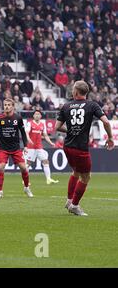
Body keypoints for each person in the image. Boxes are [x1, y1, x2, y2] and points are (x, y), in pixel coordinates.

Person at [55, 81, 114, 216]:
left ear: (75, 92)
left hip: (68, 146)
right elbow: (105, 121)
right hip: (80, 148)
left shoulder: (66, 106)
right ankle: (74, 205)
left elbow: (57, 127)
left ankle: (69, 200)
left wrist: (70, 130)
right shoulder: (92, 105)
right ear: (86, 92)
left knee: (76, 172)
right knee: (86, 177)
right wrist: (110, 137)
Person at [0, 98, 33, 199]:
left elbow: (23, 132)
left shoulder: (18, 118)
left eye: (8, 105)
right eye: (5, 105)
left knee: (24, 168)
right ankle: (0, 192)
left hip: (15, 148)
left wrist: (25, 146)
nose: (6, 106)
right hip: (3, 148)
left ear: (13, 106)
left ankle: (26, 187)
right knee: (1, 167)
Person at [25, 110, 59, 185]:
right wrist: (29, 139)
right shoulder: (30, 123)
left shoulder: (42, 124)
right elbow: (26, 133)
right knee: (28, 163)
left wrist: (50, 142)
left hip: (39, 147)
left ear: (40, 116)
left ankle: (48, 179)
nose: (37, 115)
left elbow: (45, 135)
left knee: (45, 161)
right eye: (36, 114)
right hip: (31, 147)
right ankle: (25, 180)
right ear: (33, 116)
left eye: (38, 114)